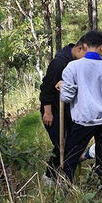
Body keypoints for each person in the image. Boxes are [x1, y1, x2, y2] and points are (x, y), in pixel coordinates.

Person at [58, 30, 102, 182]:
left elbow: (67, 98)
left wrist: (63, 87)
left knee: (70, 159)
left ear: (84, 45)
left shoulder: (72, 67)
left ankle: (66, 190)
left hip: (82, 121)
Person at [39, 36, 85, 178]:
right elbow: (46, 88)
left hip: (68, 109)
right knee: (61, 144)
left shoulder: (76, 60)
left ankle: (60, 175)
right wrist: (47, 112)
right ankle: (49, 176)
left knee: (68, 142)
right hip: (53, 109)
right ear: (79, 48)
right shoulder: (59, 63)